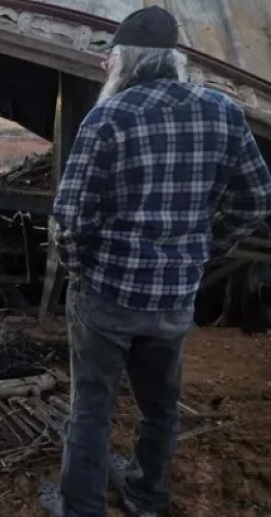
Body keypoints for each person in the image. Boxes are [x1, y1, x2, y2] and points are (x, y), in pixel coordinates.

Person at [41, 6, 271, 517]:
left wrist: (78, 268)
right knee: (161, 406)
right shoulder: (223, 111)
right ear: (174, 60)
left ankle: (81, 508)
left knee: (92, 408)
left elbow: (70, 217)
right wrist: (205, 247)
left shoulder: (108, 118)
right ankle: (147, 497)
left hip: (108, 295)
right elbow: (257, 197)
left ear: (124, 61)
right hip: (173, 295)